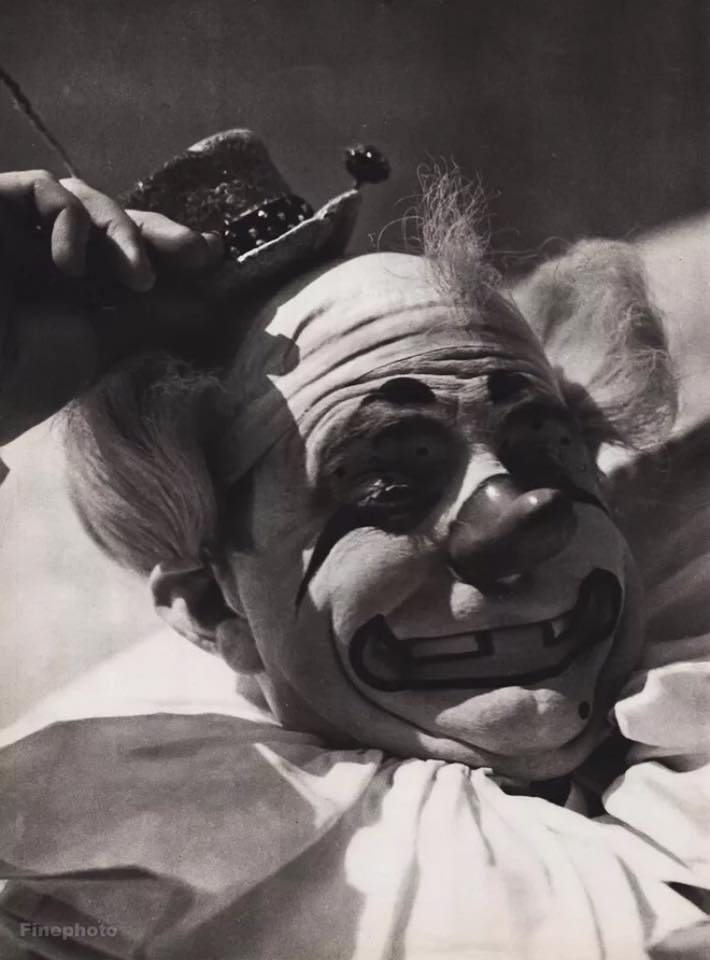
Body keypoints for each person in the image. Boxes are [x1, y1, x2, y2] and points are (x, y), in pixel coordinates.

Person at [0, 131, 708, 959]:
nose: (518, 525)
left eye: (545, 448)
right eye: (388, 479)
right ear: (210, 604)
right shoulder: (117, 894)